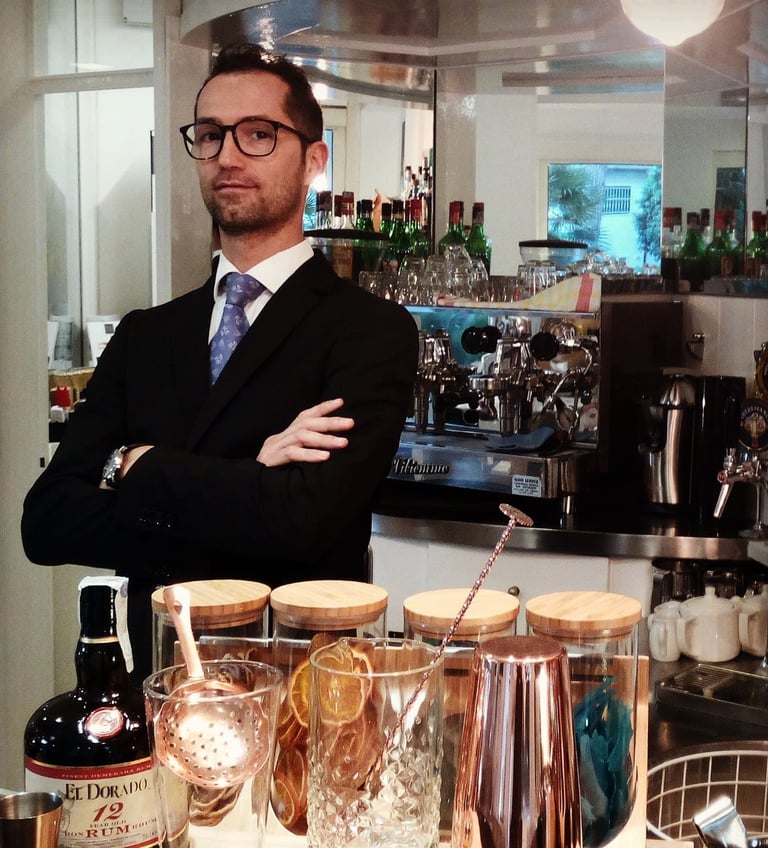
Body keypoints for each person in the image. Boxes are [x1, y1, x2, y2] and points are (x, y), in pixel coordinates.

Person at [21, 43, 419, 682]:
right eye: (210, 135)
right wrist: (250, 474)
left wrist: (135, 466)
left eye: (258, 134)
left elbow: (304, 525)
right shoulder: (147, 333)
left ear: (315, 159)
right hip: (156, 686)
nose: (228, 155)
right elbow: (46, 522)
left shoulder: (369, 331)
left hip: (299, 694)